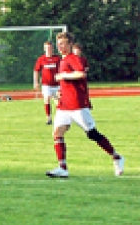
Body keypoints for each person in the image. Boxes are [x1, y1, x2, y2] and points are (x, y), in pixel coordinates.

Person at [46, 32, 124, 178]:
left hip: (77, 105)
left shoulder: (73, 59)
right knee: (57, 133)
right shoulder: (62, 61)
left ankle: (116, 156)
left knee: (92, 134)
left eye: (63, 43)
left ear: (70, 44)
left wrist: (63, 76)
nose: (60, 46)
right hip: (64, 106)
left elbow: (81, 74)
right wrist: (58, 95)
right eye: (59, 43)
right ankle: (62, 167)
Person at [33, 41, 61, 125]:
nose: (48, 49)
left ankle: (59, 118)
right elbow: (36, 71)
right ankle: (48, 118)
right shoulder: (41, 59)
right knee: (47, 98)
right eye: (47, 48)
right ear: (44, 49)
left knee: (58, 102)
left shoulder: (57, 58)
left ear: (52, 48)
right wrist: (36, 82)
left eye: (50, 48)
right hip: (46, 84)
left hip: (57, 84)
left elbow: (63, 69)